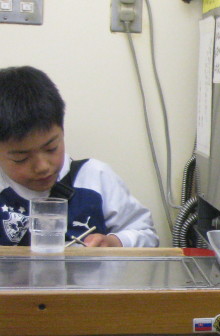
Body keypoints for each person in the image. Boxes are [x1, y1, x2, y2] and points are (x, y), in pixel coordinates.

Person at [0, 65, 159, 248]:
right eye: (21, 158)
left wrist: (114, 242)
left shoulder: (95, 177)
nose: (42, 166)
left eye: (51, 148)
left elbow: (147, 235)